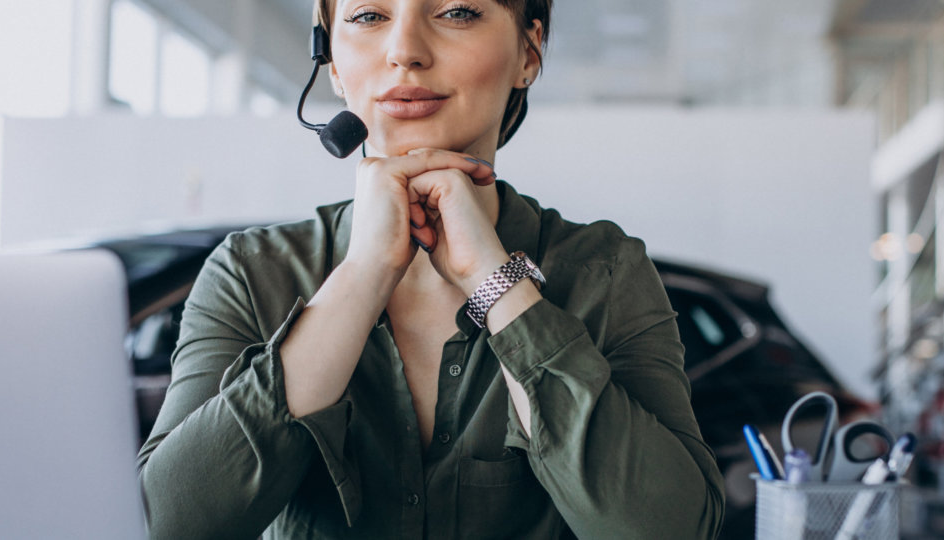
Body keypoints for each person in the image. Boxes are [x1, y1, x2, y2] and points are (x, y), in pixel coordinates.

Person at [136, 0, 725, 537]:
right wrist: (364, 273)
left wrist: (494, 283)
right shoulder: (250, 272)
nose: (404, 50)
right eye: (369, 16)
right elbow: (170, 523)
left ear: (529, 51)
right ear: (332, 63)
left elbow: (671, 528)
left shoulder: (607, 270)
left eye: (458, 11)